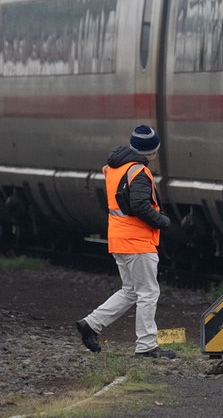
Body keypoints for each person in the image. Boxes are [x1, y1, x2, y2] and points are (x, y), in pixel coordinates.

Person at [76, 124, 176, 358]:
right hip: (137, 240)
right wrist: (162, 221)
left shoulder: (117, 167)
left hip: (120, 238)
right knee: (148, 292)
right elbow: (140, 205)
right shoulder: (138, 171)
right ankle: (147, 346)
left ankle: (91, 324)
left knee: (131, 290)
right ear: (151, 151)